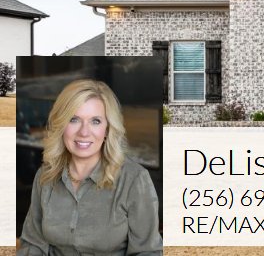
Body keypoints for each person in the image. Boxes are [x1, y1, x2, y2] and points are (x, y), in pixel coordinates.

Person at [18, 79, 162, 256]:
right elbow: (33, 244)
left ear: (107, 129)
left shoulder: (134, 179)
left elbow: (148, 252)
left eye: (95, 121)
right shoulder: (46, 175)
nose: (84, 132)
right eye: (74, 119)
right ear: (61, 125)